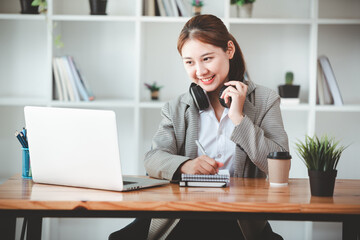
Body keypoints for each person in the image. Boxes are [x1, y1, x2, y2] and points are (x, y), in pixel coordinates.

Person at [109, 14, 288, 240]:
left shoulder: (265, 100)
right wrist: (186, 165)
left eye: (207, 58)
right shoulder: (176, 108)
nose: (200, 71)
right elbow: (153, 158)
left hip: (238, 218)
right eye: (189, 62)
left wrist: (239, 118)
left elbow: (278, 166)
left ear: (229, 50)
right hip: (182, 215)